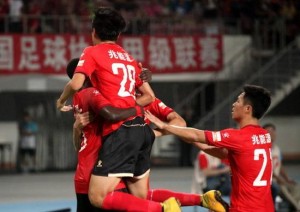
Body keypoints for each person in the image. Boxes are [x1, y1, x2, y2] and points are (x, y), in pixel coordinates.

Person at [56, 6, 179, 211]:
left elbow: (76, 84)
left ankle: (164, 209)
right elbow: (149, 96)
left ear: (93, 31)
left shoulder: (91, 52)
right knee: (140, 197)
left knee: (96, 196)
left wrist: (61, 101)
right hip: (141, 130)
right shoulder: (128, 58)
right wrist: (129, 106)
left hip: (120, 133)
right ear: (119, 35)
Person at [68, 57, 229, 212]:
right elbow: (80, 144)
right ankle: (200, 200)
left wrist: (153, 133)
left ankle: (166, 208)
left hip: (102, 169)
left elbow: (180, 122)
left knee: (107, 198)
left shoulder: (132, 101)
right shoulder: (94, 99)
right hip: (96, 167)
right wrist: (76, 127)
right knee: (143, 196)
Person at [145, 84, 275, 212]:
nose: (234, 104)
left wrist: (165, 126)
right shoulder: (264, 136)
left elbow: (197, 135)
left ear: (247, 109)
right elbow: (224, 154)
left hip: (244, 209)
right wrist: (191, 139)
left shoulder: (237, 136)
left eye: (238, 101)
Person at [263, 123, 300, 211]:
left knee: (296, 186)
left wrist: (287, 178)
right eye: (268, 131)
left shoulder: (277, 149)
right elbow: (267, 168)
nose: (271, 133)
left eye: (272, 131)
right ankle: (297, 208)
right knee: (282, 188)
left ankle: (293, 204)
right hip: (269, 181)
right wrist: (280, 179)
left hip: (278, 179)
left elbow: (279, 165)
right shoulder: (263, 149)